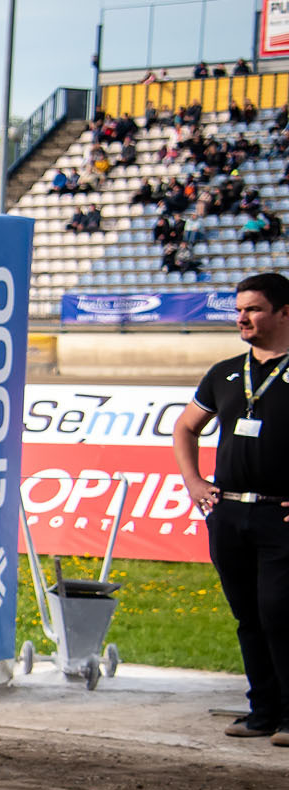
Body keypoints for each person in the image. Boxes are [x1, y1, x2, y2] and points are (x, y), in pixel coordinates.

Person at [171, 272, 289, 745]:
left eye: (254, 308)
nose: (243, 318)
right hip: (229, 513)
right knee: (248, 614)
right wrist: (195, 481)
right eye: (239, 309)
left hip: (279, 514)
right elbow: (185, 428)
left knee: (280, 611)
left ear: (284, 312)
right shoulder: (224, 372)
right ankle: (262, 711)